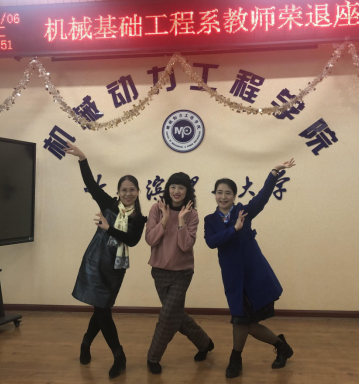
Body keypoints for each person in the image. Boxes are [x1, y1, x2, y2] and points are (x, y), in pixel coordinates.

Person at [204, 159, 296, 378]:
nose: (223, 197)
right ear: (215, 195)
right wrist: (234, 230)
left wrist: (274, 172)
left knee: (243, 321)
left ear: (234, 196)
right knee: (245, 322)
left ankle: (236, 358)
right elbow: (211, 241)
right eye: (219, 192)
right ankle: (281, 346)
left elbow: (262, 198)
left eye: (228, 193)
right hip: (233, 279)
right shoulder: (210, 220)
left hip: (254, 275)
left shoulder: (243, 211)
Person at [65, 142, 147, 379]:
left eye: (132, 190)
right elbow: (91, 184)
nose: (128, 193)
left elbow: (132, 241)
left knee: (101, 309)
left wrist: (109, 228)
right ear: (118, 192)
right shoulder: (109, 204)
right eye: (124, 190)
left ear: (138, 192)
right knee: (102, 310)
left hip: (114, 269)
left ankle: (86, 343)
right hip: (94, 262)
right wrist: (83, 158)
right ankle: (119, 356)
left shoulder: (139, 219)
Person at [145, 172, 214, 375]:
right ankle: (205, 343)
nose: (176, 191)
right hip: (159, 270)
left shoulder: (192, 214)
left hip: (182, 272)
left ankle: (153, 357)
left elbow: (185, 246)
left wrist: (181, 221)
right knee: (176, 315)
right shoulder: (156, 209)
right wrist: (165, 220)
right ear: (168, 188)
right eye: (173, 186)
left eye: (181, 187)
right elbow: (150, 240)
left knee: (167, 315)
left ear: (187, 191)